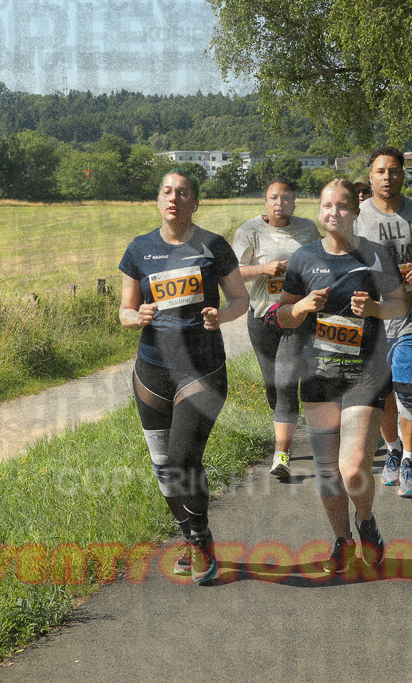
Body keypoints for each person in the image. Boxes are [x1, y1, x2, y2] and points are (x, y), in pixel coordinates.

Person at [119, 169, 249, 585]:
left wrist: (220, 315)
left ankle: (201, 541)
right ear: (158, 200)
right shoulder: (138, 250)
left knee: (181, 460)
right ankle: (193, 540)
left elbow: (240, 299)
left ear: (195, 202)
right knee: (163, 468)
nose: (174, 198)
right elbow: (124, 311)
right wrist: (134, 316)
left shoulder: (213, 246)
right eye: (166, 191)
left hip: (202, 369)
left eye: (183, 193)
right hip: (151, 371)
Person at [277, 178, 409, 571]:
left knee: (352, 470)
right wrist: (302, 306)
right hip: (318, 378)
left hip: (364, 376)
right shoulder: (303, 259)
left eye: (341, 206)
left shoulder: (375, 255)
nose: (333, 212)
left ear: (355, 212)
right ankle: (341, 540)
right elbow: (282, 317)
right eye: (326, 206)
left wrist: (373, 310)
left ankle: (366, 522)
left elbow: (399, 305)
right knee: (326, 472)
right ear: (319, 211)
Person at [354, 147, 412, 499]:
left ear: (403, 174)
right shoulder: (357, 216)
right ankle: (392, 450)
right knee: (384, 396)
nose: (387, 177)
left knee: (408, 390)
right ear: (371, 175)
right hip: (374, 324)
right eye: (380, 171)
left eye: (394, 171)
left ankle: (409, 462)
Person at [233, 178, 322, 479]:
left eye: (286, 198)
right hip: (262, 317)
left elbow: (322, 263)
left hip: (296, 316)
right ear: (265, 201)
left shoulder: (308, 229)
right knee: (272, 384)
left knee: (286, 384)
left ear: (294, 202)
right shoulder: (249, 231)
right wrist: (264, 269)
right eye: (274, 198)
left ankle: (280, 456)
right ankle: (284, 425)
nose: (280, 203)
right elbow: (233, 275)